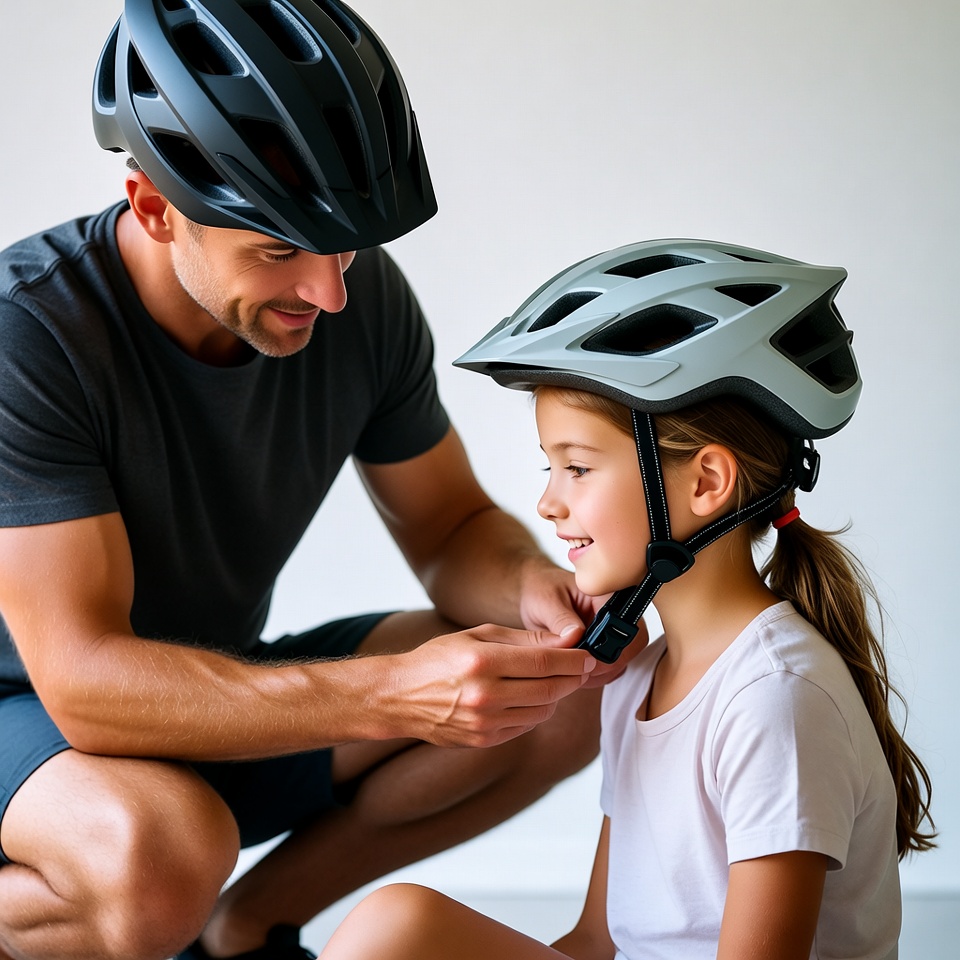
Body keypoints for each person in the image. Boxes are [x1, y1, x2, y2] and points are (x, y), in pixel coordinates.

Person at [0, 3, 627, 959]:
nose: (328, 292)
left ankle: (243, 932)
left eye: (341, 245)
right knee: (160, 851)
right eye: (278, 250)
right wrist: (390, 693)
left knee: (562, 690)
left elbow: (452, 523)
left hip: (198, 705)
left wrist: (535, 592)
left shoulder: (353, 298)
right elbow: (84, 683)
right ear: (155, 207)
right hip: (32, 720)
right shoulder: (29, 335)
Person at [314, 238, 937, 960]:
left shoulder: (774, 699)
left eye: (577, 468)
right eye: (550, 466)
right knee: (399, 929)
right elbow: (596, 941)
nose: (547, 503)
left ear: (707, 483)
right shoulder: (639, 672)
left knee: (396, 932)